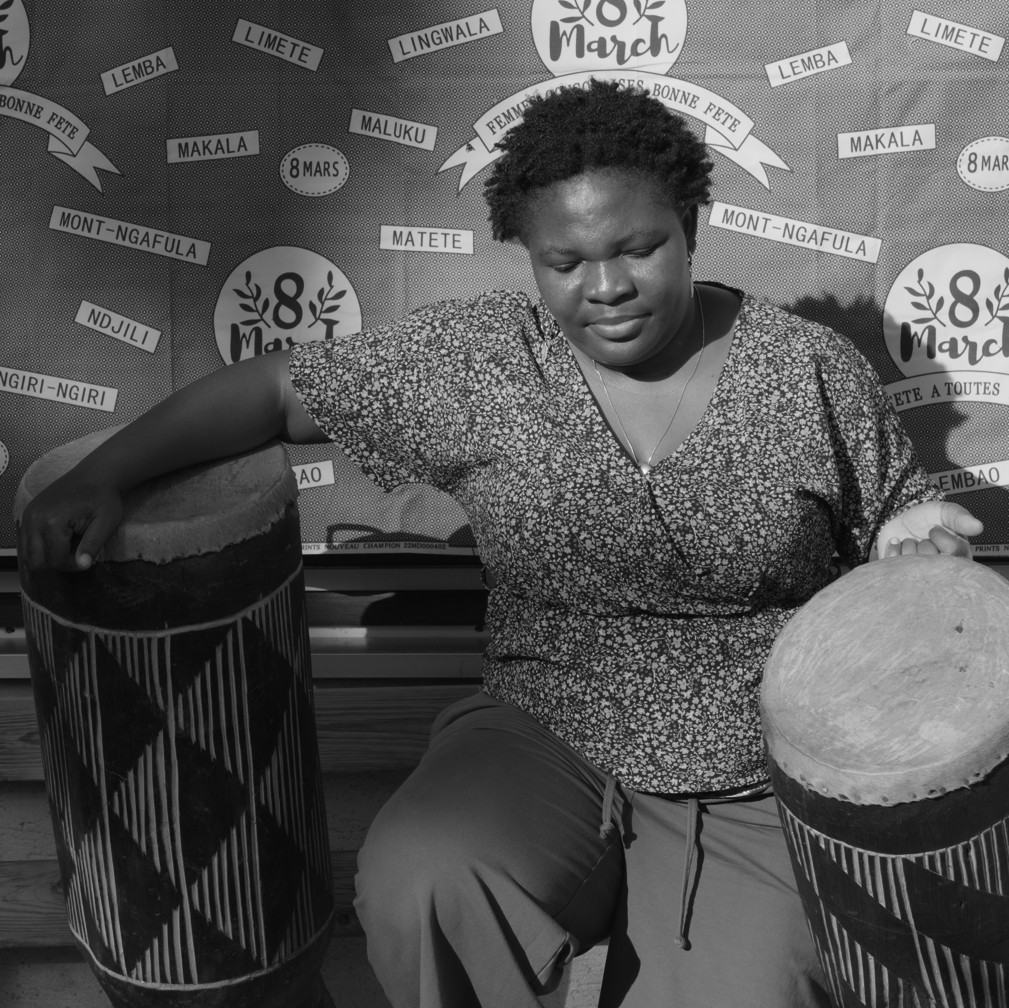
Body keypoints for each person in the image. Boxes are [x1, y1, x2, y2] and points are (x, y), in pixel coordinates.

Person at [19, 80, 981, 1008]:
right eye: (565, 262)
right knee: (428, 876)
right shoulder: (486, 361)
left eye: (638, 248)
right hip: (545, 729)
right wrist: (105, 473)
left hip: (749, 773)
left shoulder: (806, 370)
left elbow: (897, 527)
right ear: (529, 258)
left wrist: (916, 555)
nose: (606, 286)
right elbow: (278, 391)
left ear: (690, 225)